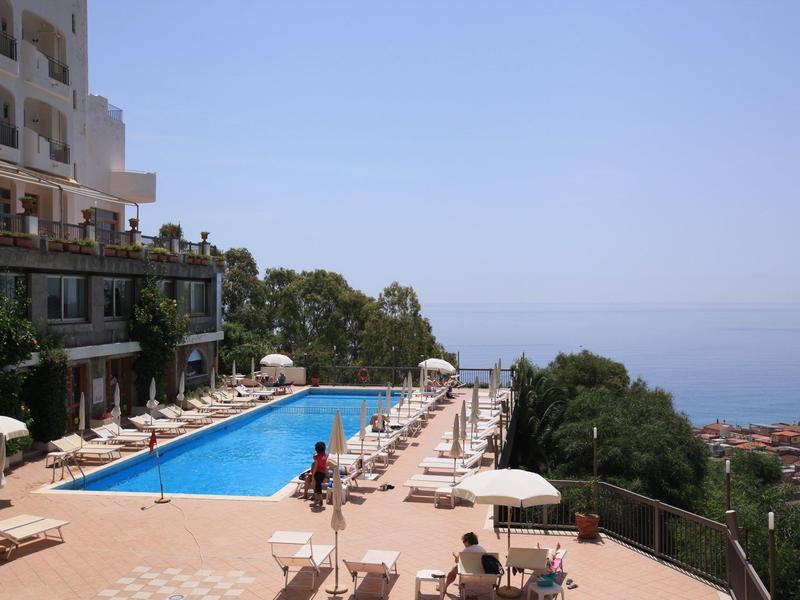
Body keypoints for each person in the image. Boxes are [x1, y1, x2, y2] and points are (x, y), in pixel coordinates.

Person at [306, 441, 336, 507]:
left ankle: (318, 500)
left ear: (316, 449)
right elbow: (326, 466)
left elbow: (315, 467)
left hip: (318, 473)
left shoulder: (316, 457)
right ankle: (318, 500)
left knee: (317, 485)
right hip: (324, 473)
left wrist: (313, 475)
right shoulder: (327, 455)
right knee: (317, 485)